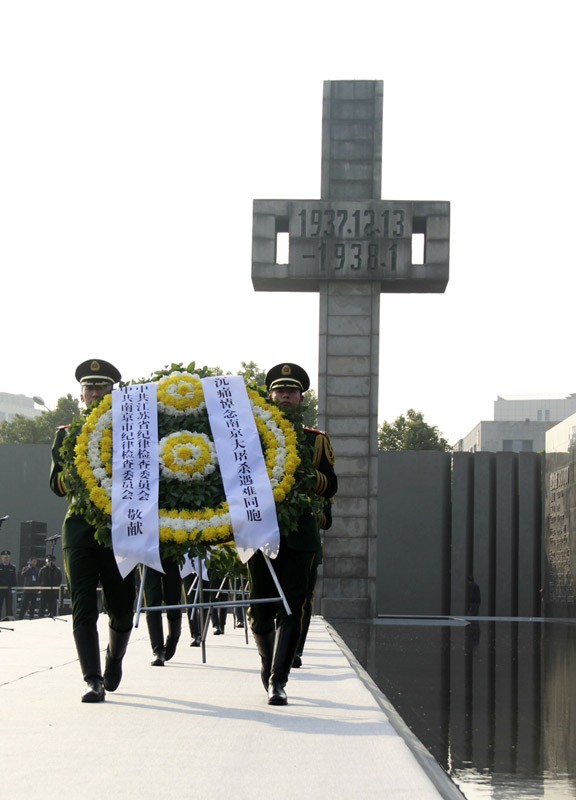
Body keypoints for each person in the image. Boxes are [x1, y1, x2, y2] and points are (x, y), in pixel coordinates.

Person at [248, 363, 337, 705]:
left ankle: (279, 680)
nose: (285, 395)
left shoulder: (315, 441)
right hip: (260, 531)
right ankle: (267, 663)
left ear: (301, 397)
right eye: (279, 390)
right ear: (269, 395)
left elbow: (331, 485)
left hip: (300, 534)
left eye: (292, 391)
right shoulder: (252, 436)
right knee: (260, 607)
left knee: (293, 606)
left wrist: (305, 476)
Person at [49, 359, 136, 703]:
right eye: (90, 388)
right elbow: (56, 485)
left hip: (120, 532)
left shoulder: (130, 430)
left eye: (102, 387)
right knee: (83, 604)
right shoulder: (66, 434)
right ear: (81, 395)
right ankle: (92, 679)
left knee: (122, 607)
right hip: (79, 531)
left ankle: (114, 658)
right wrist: (77, 468)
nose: (95, 392)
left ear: (113, 392)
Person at [292, 497, 333, 669]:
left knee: (304, 600)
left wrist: (311, 513)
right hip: (282, 548)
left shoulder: (319, 485)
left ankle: (295, 650)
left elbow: (327, 521)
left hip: (309, 550)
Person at [142, 558, 183, 666]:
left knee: (173, 599)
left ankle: (173, 638)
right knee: (152, 600)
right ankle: (158, 650)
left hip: (172, 551)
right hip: (149, 553)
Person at [0, 550, 17, 619]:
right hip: (0, 589)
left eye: (7, 558)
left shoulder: (12, 567)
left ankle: (9, 620)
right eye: (4, 557)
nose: (6, 559)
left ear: (9, 558)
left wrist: (13, 588)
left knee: (9, 606)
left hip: (8, 589)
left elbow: (14, 579)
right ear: (2, 558)